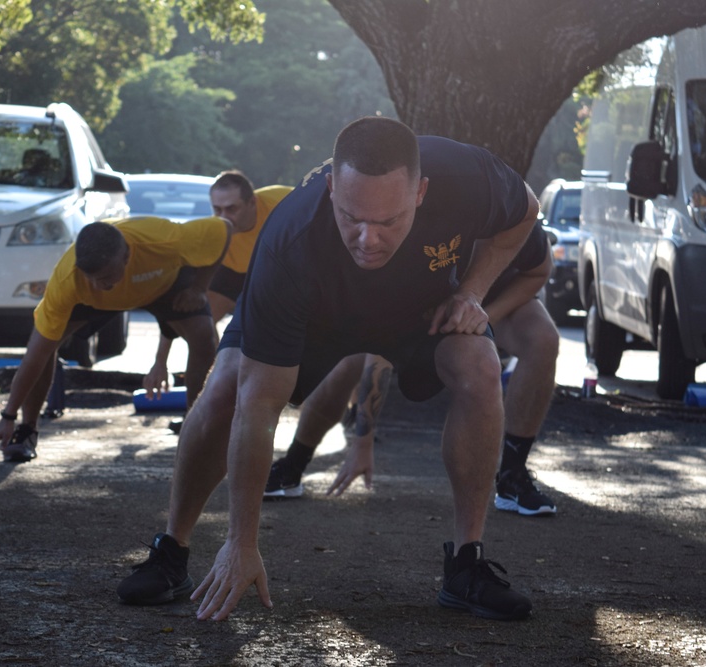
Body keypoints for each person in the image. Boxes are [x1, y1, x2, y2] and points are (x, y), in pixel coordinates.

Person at [116, 117, 540, 621]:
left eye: (390, 222)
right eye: (352, 217)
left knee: (481, 366)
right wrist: (241, 541)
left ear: (422, 192)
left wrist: (472, 292)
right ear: (332, 187)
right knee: (228, 387)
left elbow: (526, 212)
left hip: (418, 308)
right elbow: (259, 408)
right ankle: (171, 552)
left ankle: (467, 566)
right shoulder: (288, 238)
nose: (368, 239)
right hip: (314, 312)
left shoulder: (468, 176)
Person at [266, 222, 560, 518]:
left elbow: (539, 270)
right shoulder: (421, 219)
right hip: (420, 303)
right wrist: (362, 442)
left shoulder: (515, 210)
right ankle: (293, 463)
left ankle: (512, 476)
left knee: (543, 338)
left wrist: (481, 318)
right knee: (349, 363)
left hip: (487, 299)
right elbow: (376, 354)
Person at [0, 215, 231, 462]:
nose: (99, 284)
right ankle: (26, 430)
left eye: (106, 276)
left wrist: (199, 287)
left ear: (126, 256)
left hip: (164, 285)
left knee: (204, 336)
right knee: (46, 347)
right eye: (92, 277)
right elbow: (34, 356)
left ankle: (197, 429)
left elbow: (225, 229)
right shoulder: (69, 281)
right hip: (91, 304)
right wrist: (8, 416)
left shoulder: (164, 239)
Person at [143, 172, 290, 424]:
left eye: (231, 209)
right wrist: (160, 362)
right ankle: (196, 416)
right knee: (200, 325)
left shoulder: (283, 202)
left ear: (252, 202)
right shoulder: (213, 235)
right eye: (217, 209)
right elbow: (177, 310)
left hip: (275, 272)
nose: (224, 218)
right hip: (230, 272)